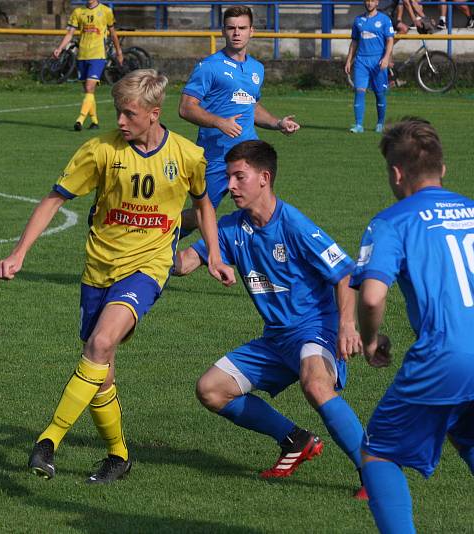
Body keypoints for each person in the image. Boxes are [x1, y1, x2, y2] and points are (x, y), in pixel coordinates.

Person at [0, 69, 235, 483]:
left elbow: (204, 205)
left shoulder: (186, 156)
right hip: (98, 268)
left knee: (101, 342)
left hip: (148, 267)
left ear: (154, 113)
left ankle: (48, 441)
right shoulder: (100, 151)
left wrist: (213, 254)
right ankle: (118, 455)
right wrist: (20, 252)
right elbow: (55, 199)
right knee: (101, 369)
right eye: (117, 113)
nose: (120, 121)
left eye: (128, 114)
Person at [176, 140, 368, 498]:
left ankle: (373, 472)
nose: (230, 185)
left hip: (315, 330)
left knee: (315, 384)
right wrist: (165, 228)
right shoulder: (233, 228)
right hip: (277, 338)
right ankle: (295, 440)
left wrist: (346, 326)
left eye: (239, 176)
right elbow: (184, 264)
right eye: (228, 177)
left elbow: (344, 273)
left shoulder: (293, 225)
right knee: (211, 390)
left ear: (264, 178)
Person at [352, 118, 474, 533]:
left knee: (379, 452)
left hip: (448, 354)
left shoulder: (392, 221)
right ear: (443, 168)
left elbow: (370, 295)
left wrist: (370, 340)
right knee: (466, 433)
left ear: (397, 173)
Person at [178, 4, 299, 237]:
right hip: (215, 157)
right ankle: (157, 242)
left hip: (248, 154)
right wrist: (219, 122)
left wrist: (277, 123)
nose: (236, 33)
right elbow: (185, 108)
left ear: (251, 31)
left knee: (262, 210)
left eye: (242, 28)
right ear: (223, 31)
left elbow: (250, 105)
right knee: (200, 215)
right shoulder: (209, 67)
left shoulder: (257, 68)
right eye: (231, 28)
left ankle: (263, 259)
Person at [52, 0, 122, 131]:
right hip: (82, 55)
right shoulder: (78, 12)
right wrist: (60, 48)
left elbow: (113, 33)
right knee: (88, 91)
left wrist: (119, 52)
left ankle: (80, 120)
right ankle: (94, 122)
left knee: (90, 87)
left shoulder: (106, 11)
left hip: (98, 55)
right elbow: (70, 34)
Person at [345, 0, 394, 134]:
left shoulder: (384, 20)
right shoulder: (358, 20)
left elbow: (390, 40)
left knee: (379, 93)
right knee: (359, 90)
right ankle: (359, 125)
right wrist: (349, 60)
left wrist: (386, 58)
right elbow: (354, 41)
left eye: (372, 0)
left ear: (377, 2)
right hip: (361, 60)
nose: (369, 3)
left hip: (378, 61)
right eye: (367, 0)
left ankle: (380, 123)